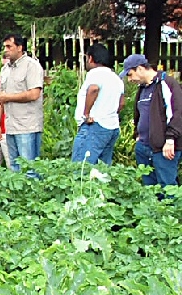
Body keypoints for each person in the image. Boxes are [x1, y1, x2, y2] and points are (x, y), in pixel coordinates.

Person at [119, 54, 182, 188]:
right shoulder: (142, 89)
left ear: (140, 69)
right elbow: (139, 114)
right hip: (143, 147)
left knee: (167, 187)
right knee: (149, 189)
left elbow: (177, 113)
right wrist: (137, 135)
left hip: (163, 148)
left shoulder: (167, 83)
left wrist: (170, 140)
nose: (129, 79)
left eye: (130, 74)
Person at [0, 34, 44, 173]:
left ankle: (33, 194)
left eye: (9, 46)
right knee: (14, 169)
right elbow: (0, 98)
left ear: (20, 47)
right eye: (4, 47)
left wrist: (8, 97)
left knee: (30, 169)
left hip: (28, 126)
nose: (6, 50)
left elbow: (34, 94)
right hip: (10, 126)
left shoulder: (31, 66)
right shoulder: (5, 69)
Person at [71, 44, 125, 165]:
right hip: (111, 127)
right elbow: (121, 103)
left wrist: (86, 114)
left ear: (90, 58)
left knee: (81, 168)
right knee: (101, 171)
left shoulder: (95, 73)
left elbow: (94, 89)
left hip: (94, 126)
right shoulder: (116, 78)